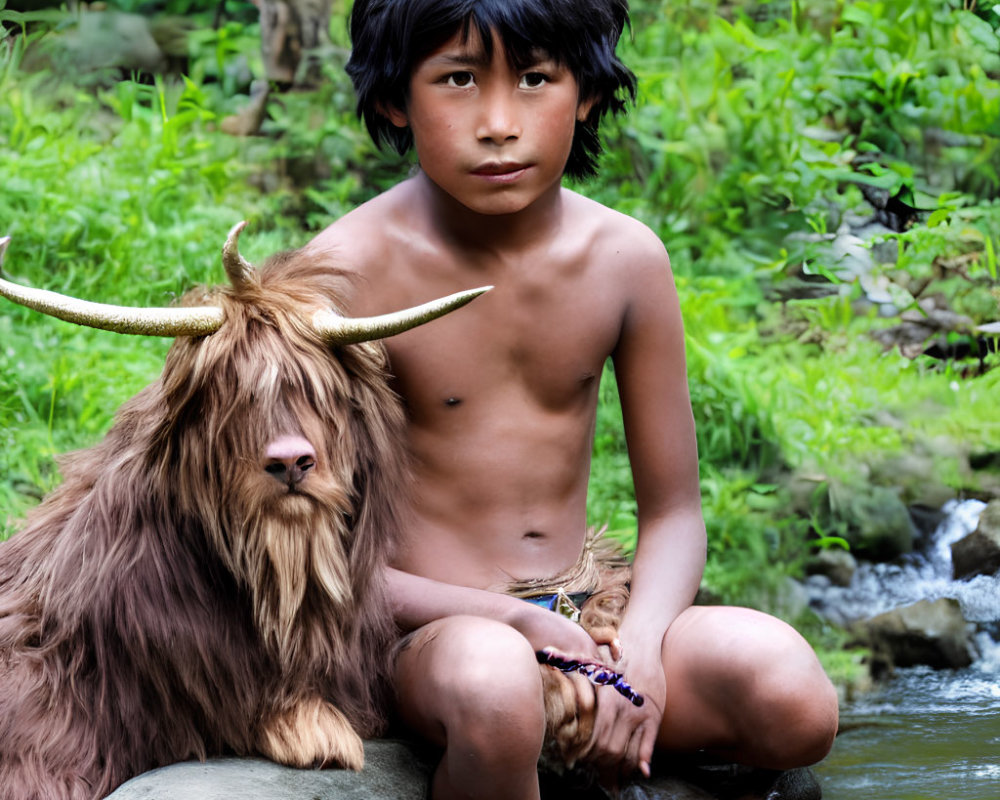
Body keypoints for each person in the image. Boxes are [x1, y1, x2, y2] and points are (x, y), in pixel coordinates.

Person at [304, 1, 839, 798]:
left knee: (790, 692)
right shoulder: (339, 276)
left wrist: (645, 651)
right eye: (456, 79)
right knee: (497, 689)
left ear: (585, 91)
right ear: (393, 100)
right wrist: (516, 626)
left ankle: (608, 739)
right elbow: (311, 558)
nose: (498, 122)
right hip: (430, 638)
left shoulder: (623, 259)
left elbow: (675, 513)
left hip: (592, 617)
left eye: (533, 79)